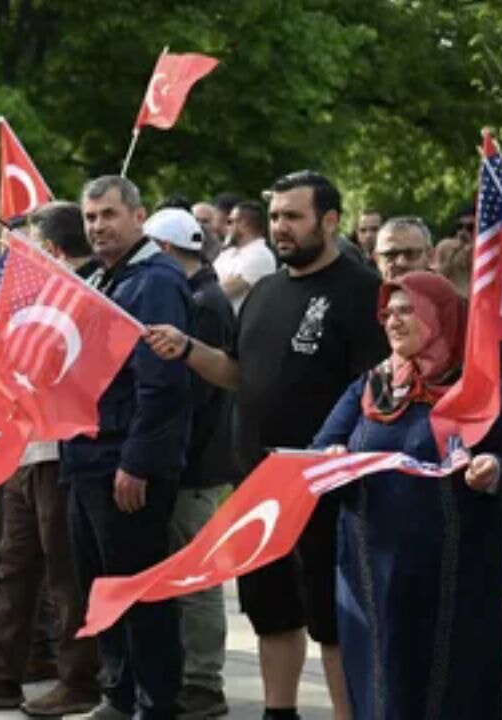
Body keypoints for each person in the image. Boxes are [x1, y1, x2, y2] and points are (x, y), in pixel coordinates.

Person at [145, 171, 389, 720]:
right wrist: (186, 348)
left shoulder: (363, 292)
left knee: (332, 620)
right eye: (275, 215)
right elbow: (236, 373)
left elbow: (373, 394)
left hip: (328, 489)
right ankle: (280, 713)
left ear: (328, 221)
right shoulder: (264, 292)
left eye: (293, 216)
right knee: (271, 613)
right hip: (259, 486)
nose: (280, 227)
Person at [311, 271, 502, 719]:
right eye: (388, 312)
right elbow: (320, 448)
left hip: (455, 575)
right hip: (372, 573)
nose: (393, 321)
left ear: (440, 317)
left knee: (449, 686)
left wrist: (494, 470)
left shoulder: (477, 389)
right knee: (383, 686)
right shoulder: (370, 387)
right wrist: (333, 457)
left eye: (407, 310)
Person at [0, 202, 101, 717]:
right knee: (14, 567)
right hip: (18, 450)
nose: (10, 250)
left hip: (61, 453)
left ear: (49, 246)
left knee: (65, 572)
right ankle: (1, 675)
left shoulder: (88, 293)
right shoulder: (16, 292)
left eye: (22, 241)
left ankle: (79, 679)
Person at [67, 176, 193, 719]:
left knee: (138, 590)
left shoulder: (156, 280)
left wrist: (137, 461)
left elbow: (161, 384)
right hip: (85, 457)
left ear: (138, 217)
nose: (98, 226)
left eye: (109, 215)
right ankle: (116, 695)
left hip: (125, 461)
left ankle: (153, 703)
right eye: (91, 217)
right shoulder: (99, 277)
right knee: (101, 588)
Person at [145, 208, 238, 719]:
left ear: (162, 249)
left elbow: (196, 392)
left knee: (196, 577)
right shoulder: (201, 294)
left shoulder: (203, 302)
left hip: (195, 462)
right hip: (190, 458)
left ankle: (203, 684)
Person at [212, 200, 275, 313]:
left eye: (230, 221)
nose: (227, 227)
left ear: (244, 224)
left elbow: (226, 289)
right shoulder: (228, 253)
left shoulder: (260, 254)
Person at [372, 216, 432, 282]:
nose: (401, 262)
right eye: (391, 254)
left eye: (410, 253)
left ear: (429, 256)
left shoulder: (443, 291)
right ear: (377, 259)